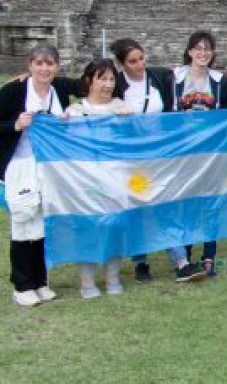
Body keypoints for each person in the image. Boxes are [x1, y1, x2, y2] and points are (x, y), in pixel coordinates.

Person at [110, 38, 203, 283]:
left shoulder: (159, 77)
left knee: (166, 206)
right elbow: (82, 86)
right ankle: (141, 262)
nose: (139, 64)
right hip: (132, 160)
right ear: (121, 64)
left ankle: (181, 261)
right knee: (138, 209)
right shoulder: (116, 85)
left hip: (161, 157)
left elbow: (189, 75)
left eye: (141, 58)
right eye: (132, 61)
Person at [1, 44, 73, 306]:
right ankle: (22, 286)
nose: (45, 68)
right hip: (19, 165)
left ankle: (40, 282)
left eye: (50, 63)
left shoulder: (59, 90)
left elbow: (93, 83)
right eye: (39, 63)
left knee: (42, 222)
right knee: (23, 219)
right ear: (29, 65)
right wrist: (15, 124)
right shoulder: (14, 91)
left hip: (47, 167)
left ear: (57, 66)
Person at [65, 60, 134, 298]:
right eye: (101, 79)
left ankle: (113, 276)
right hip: (86, 181)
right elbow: (69, 147)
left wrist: (129, 121)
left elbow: (134, 142)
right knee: (89, 228)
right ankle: (87, 281)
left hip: (116, 178)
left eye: (111, 79)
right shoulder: (76, 111)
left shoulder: (122, 107)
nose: (107, 84)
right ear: (89, 81)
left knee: (115, 226)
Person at [172, 30, 227, 277]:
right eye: (197, 48)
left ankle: (209, 255)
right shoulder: (175, 78)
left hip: (211, 154)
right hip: (183, 153)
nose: (202, 53)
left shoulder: (220, 81)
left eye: (207, 48)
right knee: (185, 203)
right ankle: (185, 256)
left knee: (210, 204)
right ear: (189, 51)